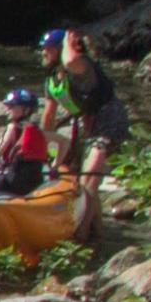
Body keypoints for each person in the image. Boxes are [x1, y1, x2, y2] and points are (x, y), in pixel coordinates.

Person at [43, 29, 132, 230]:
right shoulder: (51, 80)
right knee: (74, 178)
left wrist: (68, 44)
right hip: (85, 127)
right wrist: (45, 147)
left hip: (108, 123)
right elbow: (48, 115)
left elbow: (70, 62)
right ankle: (97, 229)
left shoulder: (82, 66)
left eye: (48, 49)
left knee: (89, 179)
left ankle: (81, 233)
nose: (43, 52)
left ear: (61, 49)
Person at [0, 88, 52, 197]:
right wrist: (55, 166)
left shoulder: (12, 127)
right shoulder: (37, 131)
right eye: (7, 106)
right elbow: (64, 142)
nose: (7, 109)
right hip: (35, 182)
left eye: (11, 106)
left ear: (26, 110)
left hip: (12, 182)